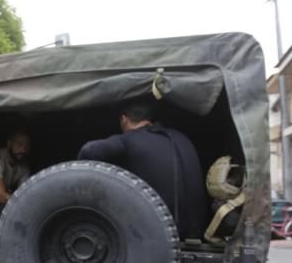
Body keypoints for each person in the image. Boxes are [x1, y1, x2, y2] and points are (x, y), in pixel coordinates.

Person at [77, 100, 207, 239]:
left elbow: (89, 150)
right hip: (196, 233)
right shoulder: (180, 137)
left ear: (123, 119)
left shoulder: (129, 139)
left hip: (159, 236)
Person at [0, 128, 32, 232]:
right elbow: (1, 197)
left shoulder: (24, 165)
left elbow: (24, 194)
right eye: (19, 145)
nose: (23, 150)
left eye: (27, 146)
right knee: (12, 219)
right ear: (9, 144)